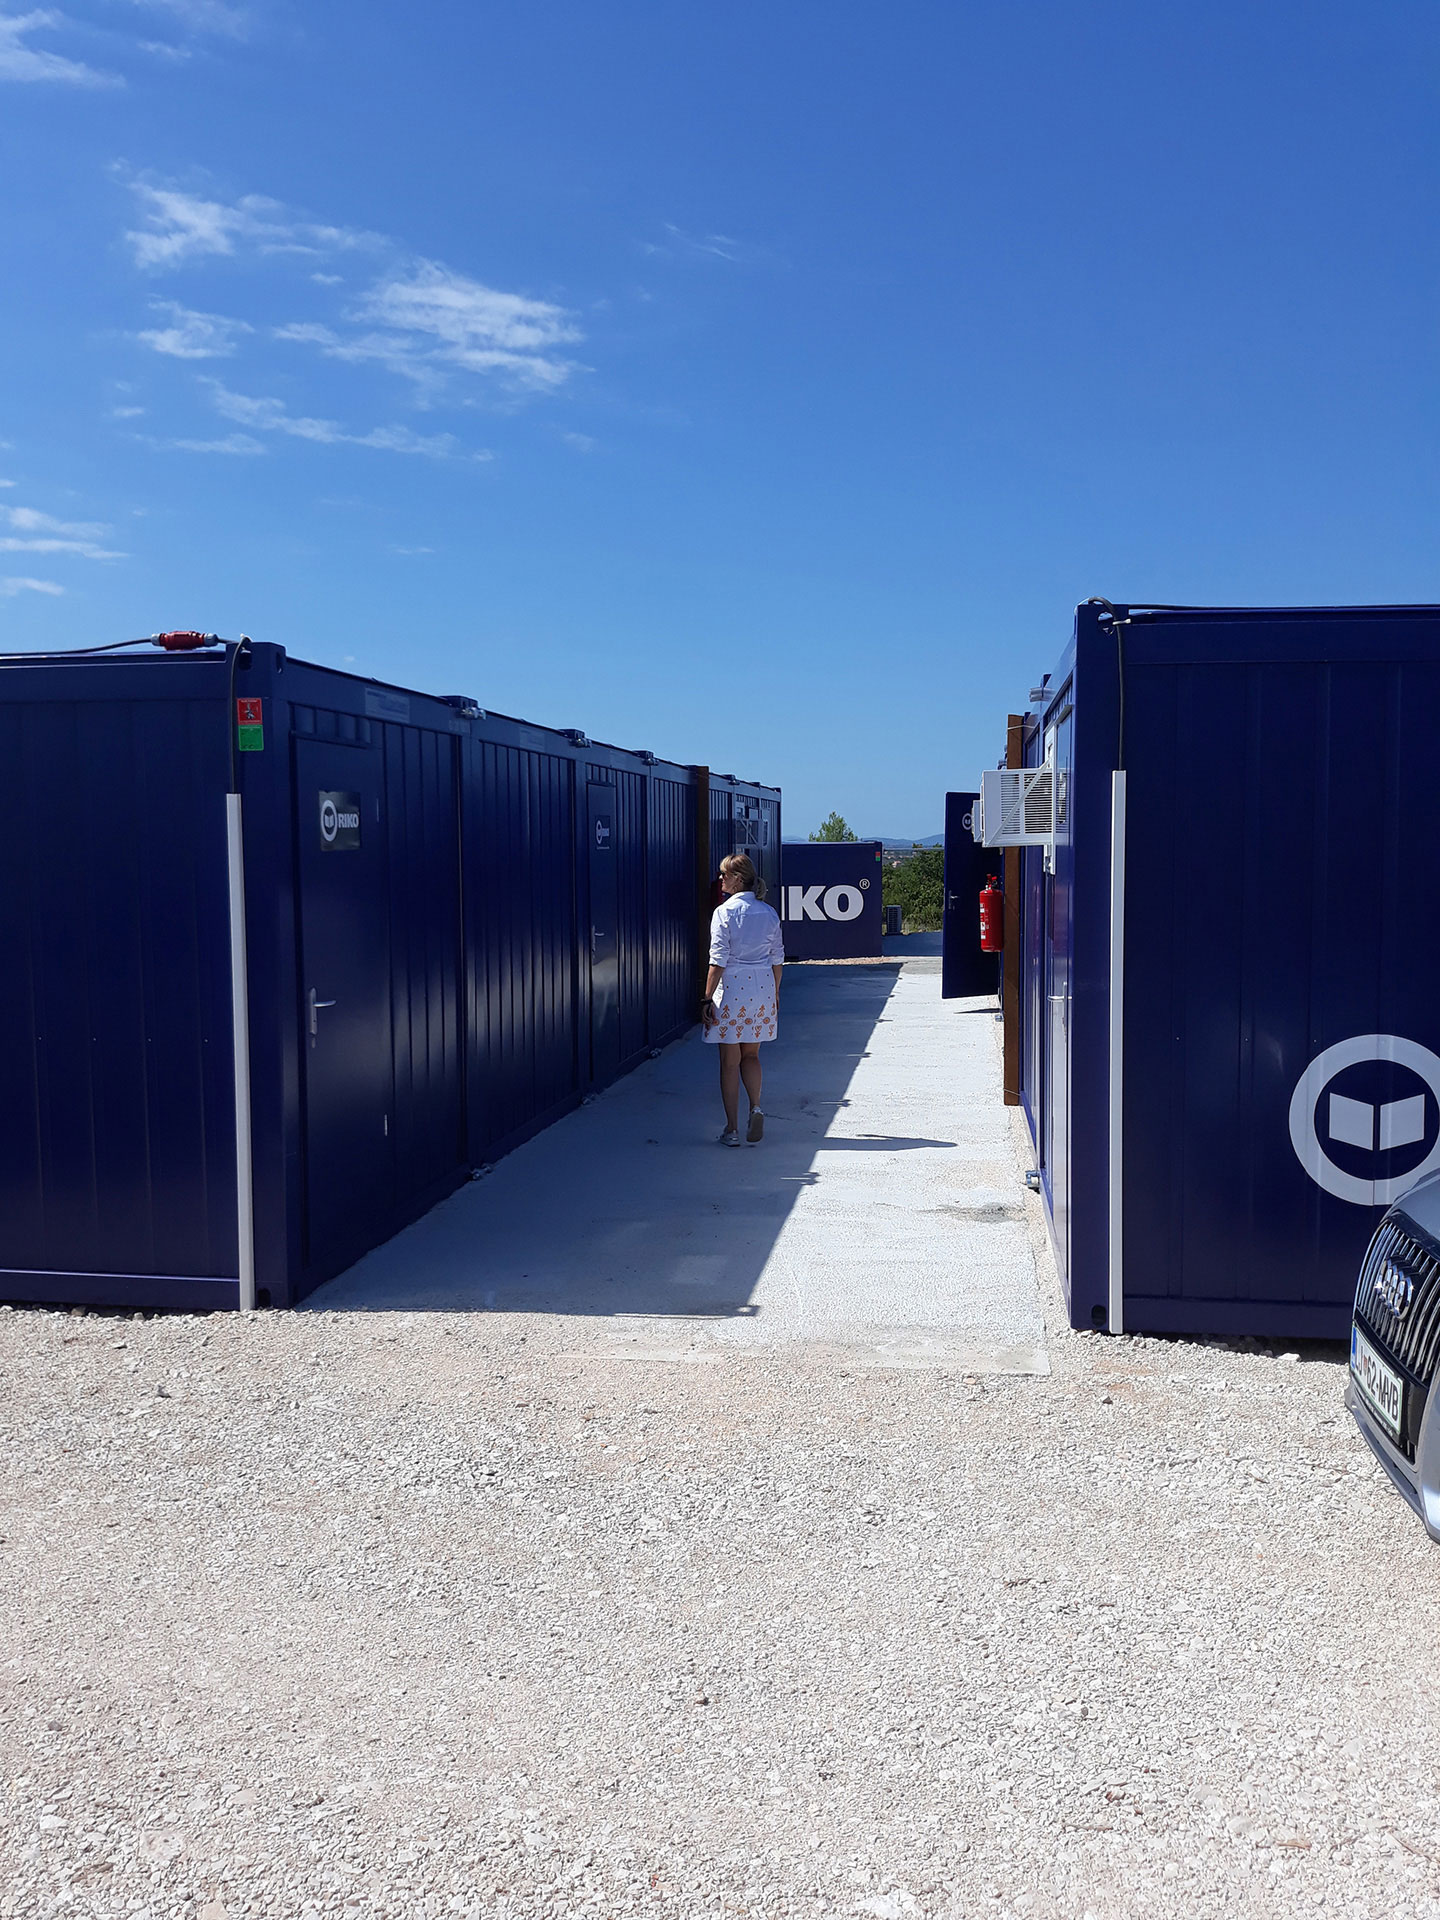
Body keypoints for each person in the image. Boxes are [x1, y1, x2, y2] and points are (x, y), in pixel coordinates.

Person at [702, 852, 784, 1145]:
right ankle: (756, 1106)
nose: (720, 879)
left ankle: (732, 1129)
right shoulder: (769, 913)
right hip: (761, 989)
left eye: (724, 874)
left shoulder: (723, 913)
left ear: (737, 879)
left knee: (729, 1061)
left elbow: (717, 960)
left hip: (732, 990)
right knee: (751, 1055)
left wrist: (706, 998)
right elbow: (777, 958)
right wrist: (775, 992)